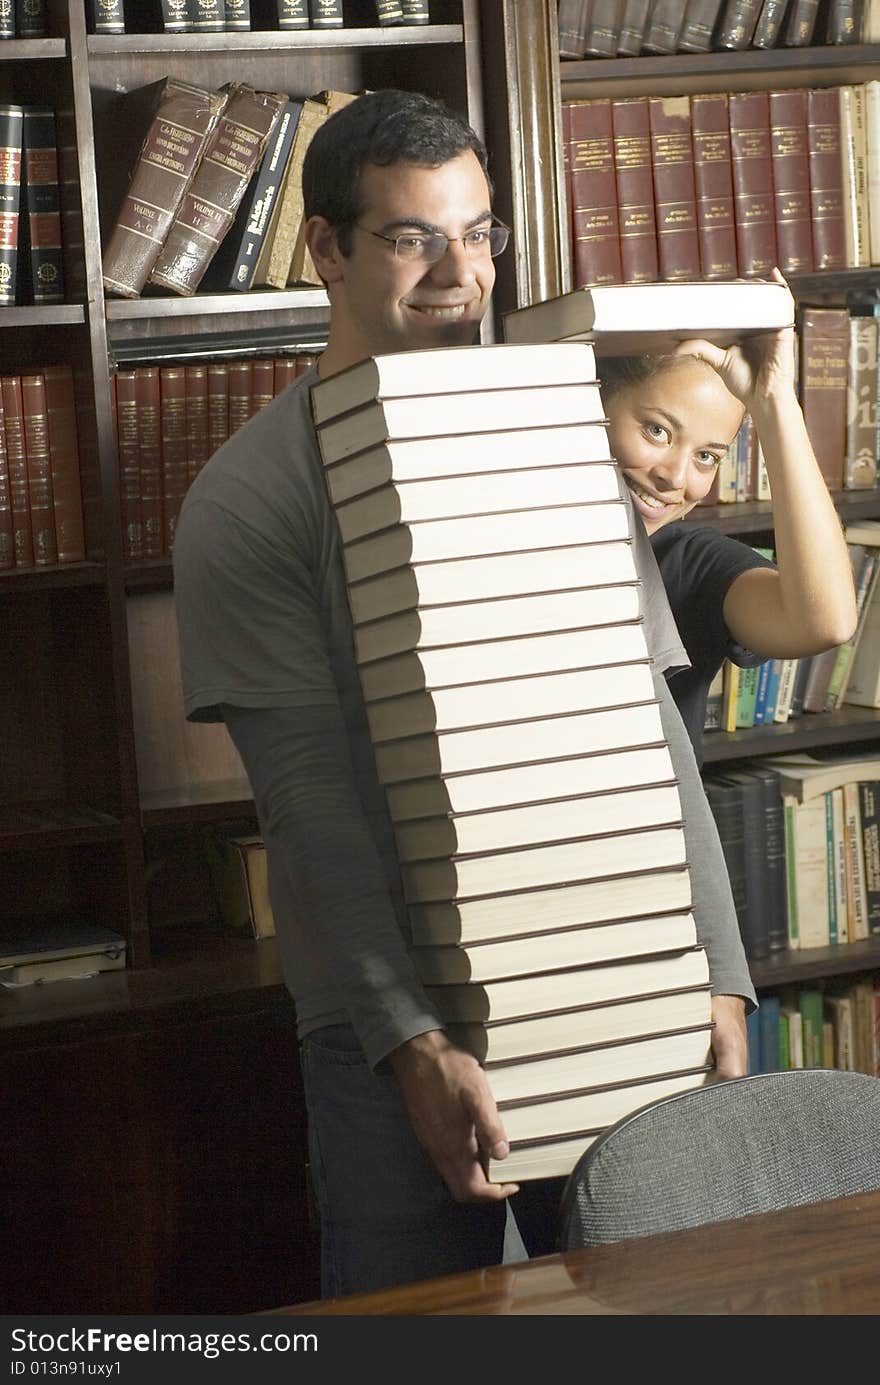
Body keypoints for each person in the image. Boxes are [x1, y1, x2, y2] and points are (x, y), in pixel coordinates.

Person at [172, 88, 756, 1299]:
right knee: (419, 1342)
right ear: (324, 247)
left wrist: (714, 967)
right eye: (411, 236)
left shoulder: (552, 437)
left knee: (659, 1322)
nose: (459, 274)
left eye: (479, 233)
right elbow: (310, 801)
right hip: (395, 1034)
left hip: (609, 973)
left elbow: (642, 722)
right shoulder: (247, 498)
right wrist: (415, 1044)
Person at [600, 299, 858, 760]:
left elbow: (826, 623)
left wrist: (775, 403)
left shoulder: (695, 563)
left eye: (707, 456)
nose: (676, 478)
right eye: (657, 431)